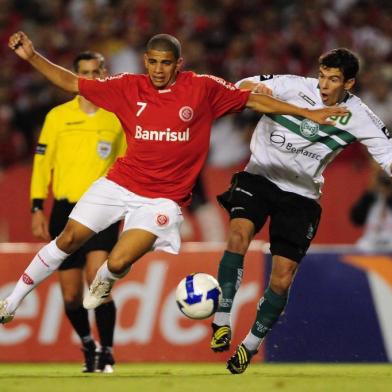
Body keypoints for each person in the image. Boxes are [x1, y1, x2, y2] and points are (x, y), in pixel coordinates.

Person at [1, 31, 346, 335]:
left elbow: (254, 99)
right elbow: (73, 83)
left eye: (166, 63)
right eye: (152, 62)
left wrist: (311, 114)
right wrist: (32, 56)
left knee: (119, 262)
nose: (159, 70)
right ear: (145, 61)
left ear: (178, 63)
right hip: (120, 184)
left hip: (162, 201)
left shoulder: (203, 89)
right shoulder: (126, 87)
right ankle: (12, 301)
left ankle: (106, 279)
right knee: (69, 238)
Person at [209, 48, 392, 374]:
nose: (324, 85)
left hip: (301, 196)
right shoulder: (293, 85)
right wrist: (255, 87)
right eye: (322, 76)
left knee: (282, 278)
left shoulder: (359, 115)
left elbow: (388, 155)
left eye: (333, 79)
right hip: (260, 176)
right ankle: (221, 320)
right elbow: (242, 85)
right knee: (238, 234)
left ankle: (249, 345)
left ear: (349, 83)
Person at [29, 51, 125, 373]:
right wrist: (37, 206)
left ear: (105, 73)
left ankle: (108, 352)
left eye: (96, 72)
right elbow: (43, 163)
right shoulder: (58, 117)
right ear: (75, 77)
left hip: (104, 207)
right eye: (84, 73)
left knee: (96, 282)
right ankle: (89, 345)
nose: (91, 79)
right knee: (71, 296)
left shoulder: (115, 118)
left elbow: (127, 164)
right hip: (66, 210)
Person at [350, 164, 392, 252]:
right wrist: (370, 192)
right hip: (369, 244)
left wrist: (389, 196)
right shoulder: (371, 198)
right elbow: (356, 219)